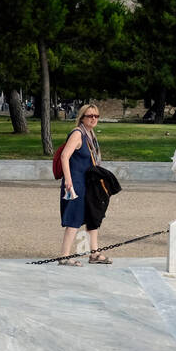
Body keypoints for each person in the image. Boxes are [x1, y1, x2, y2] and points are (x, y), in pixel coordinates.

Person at [57, 104, 109, 265]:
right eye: (89, 116)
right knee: (75, 218)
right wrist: (68, 180)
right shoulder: (78, 134)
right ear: (82, 118)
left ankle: (94, 253)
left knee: (93, 217)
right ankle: (64, 255)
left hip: (89, 183)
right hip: (76, 183)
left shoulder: (90, 134)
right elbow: (65, 156)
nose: (93, 119)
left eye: (96, 116)